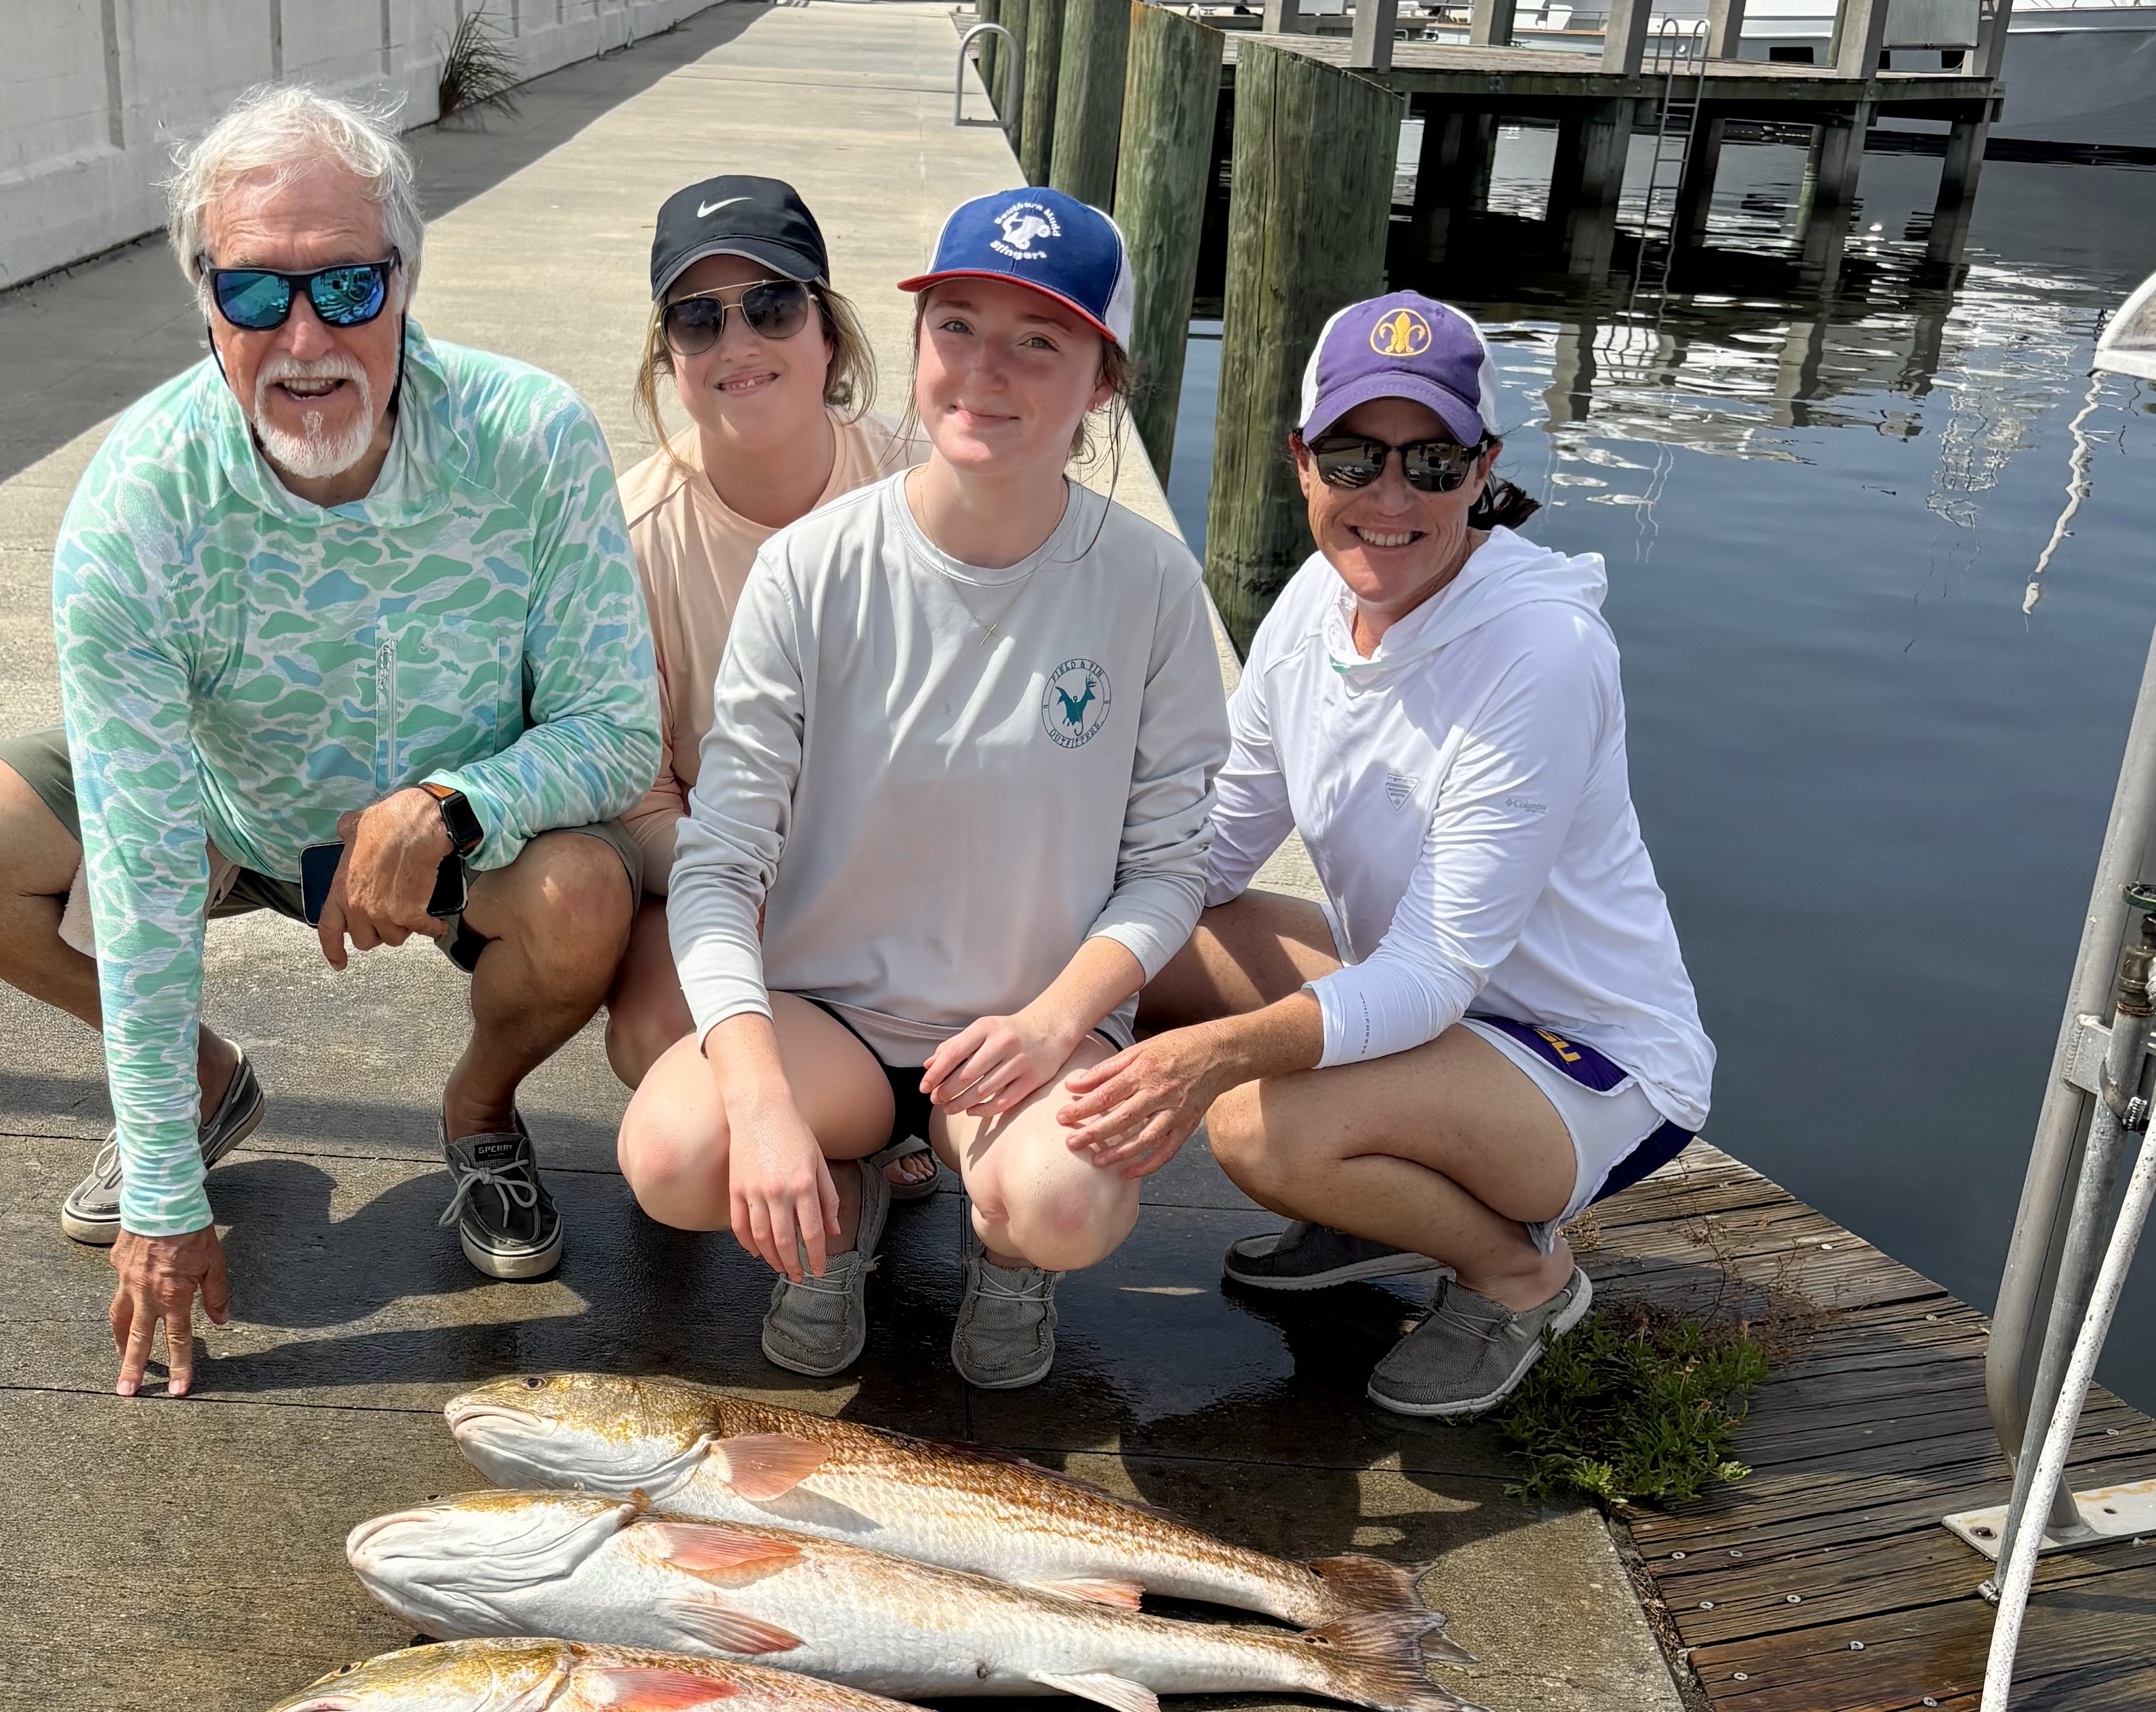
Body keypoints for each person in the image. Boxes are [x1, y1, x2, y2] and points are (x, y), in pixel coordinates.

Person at [0, 82, 658, 1396]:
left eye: (348, 289)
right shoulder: (136, 503)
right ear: (203, 302)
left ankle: (479, 1115)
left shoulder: (531, 437)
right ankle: (198, 1088)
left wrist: (449, 805)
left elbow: (616, 730)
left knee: (586, 898)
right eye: (256, 295)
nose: (305, 336)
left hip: (448, 836)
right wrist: (167, 1198)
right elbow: (132, 863)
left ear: (406, 278)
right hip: (222, 814)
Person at [1060, 290, 1712, 1420]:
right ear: (1302, 461)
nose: (1391, 498)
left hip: (1586, 1060)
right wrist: (1056, 961)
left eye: (1434, 461)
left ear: (1485, 467)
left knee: (1259, 1124)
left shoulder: (1541, 655)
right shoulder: (1317, 596)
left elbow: (1434, 974)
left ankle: (1521, 1277)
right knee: (1138, 935)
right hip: (1421, 1006)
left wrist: (1206, 1057)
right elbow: (1214, 844)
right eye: (1356, 458)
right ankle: (1370, 1201)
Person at [619, 188, 1227, 1392]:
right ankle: (837, 1204)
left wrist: (1060, 1021)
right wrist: (759, 1099)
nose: (983, 371)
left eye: (1037, 341)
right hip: (828, 1015)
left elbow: (1169, 867)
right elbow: (720, 862)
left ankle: (1009, 1254)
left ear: (1104, 381)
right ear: (909, 344)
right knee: (678, 1152)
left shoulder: (1151, 582)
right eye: (955, 325)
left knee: (1066, 1203)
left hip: (1026, 1028)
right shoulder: (810, 568)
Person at [606, 172, 934, 1203]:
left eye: (773, 306)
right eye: (697, 320)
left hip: (916, 874)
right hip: (726, 874)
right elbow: (644, 792)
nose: (738, 344)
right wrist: (750, 879)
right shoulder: (630, 539)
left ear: (829, 333)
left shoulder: (929, 485)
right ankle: (842, 1176)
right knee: (658, 1033)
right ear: (670, 356)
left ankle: (872, 1115)